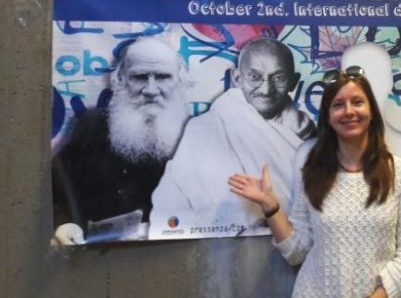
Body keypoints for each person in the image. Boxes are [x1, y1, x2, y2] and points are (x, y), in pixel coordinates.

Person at [228, 66, 401, 298]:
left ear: (371, 111)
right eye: (338, 105)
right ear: (328, 118)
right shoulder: (313, 173)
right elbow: (296, 252)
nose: (349, 111)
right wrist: (270, 207)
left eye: (357, 102)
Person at [149, 38, 316, 239]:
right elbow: (170, 206)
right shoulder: (202, 130)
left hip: (295, 244)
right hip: (224, 247)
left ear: (293, 81)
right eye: (254, 77)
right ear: (237, 78)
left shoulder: (309, 135)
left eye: (278, 78)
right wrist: (235, 224)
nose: (266, 90)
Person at [52, 37, 190, 245]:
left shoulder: (198, 133)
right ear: (120, 79)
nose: (151, 90)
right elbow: (55, 194)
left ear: (180, 82)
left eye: (163, 77)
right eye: (140, 77)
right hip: (101, 257)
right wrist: (64, 225)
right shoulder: (92, 126)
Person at [341, 42, 401, 228]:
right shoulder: (311, 158)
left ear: (389, 82)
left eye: (375, 75)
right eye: (352, 78)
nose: (364, 90)